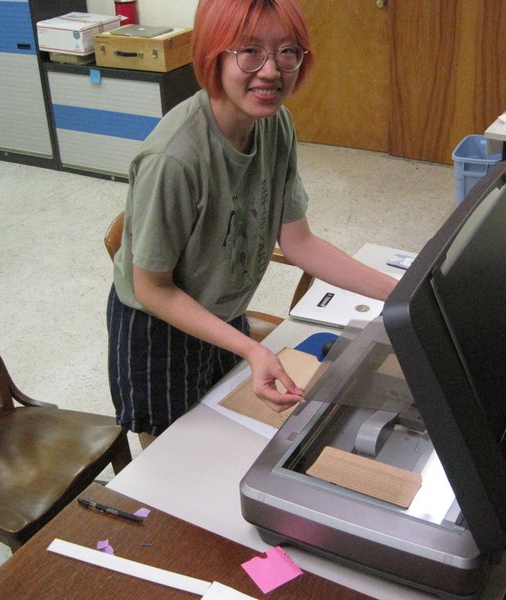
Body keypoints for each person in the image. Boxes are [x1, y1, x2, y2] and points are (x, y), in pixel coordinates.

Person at [107, 0, 397, 447]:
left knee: (224, 431)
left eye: (287, 52)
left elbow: (299, 242)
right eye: (249, 51)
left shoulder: (275, 125)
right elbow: (152, 288)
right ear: (213, 55)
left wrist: (401, 293)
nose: (271, 71)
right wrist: (250, 347)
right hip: (159, 327)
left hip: (223, 310)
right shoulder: (175, 159)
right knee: (171, 452)